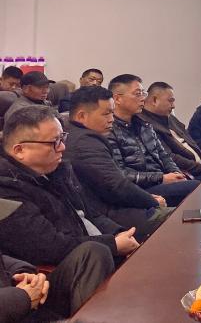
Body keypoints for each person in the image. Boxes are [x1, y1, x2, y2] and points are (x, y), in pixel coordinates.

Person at [0, 106, 135, 317]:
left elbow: (90, 214)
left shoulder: (57, 171)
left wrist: (120, 234)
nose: (63, 147)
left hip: (81, 250)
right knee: (94, 252)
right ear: (19, 150)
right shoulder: (6, 188)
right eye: (54, 142)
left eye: (62, 138)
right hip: (46, 276)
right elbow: (47, 246)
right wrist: (113, 244)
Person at [64, 86, 169, 236]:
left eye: (112, 113)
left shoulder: (78, 135)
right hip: (111, 216)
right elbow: (116, 186)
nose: (111, 119)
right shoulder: (85, 142)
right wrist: (152, 201)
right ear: (81, 116)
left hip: (112, 209)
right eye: (106, 114)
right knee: (180, 218)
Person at [0, 198, 115, 322]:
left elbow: (4, 259)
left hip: (21, 298)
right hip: (15, 305)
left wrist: (21, 273)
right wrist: (23, 297)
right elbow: (49, 246)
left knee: (93, 252)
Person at [107, 75, 199, 207]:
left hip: (160, 180)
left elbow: (164, 155)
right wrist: (161, 178)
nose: (143, 98)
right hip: (140, 189)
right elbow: (121, 174)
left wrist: (176, 173)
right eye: (137, 94)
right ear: (117, 99)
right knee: (196, 187)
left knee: (200, 184)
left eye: (143, 93)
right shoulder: (110, 129)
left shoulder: (144, 124)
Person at [139, 82, 201, 178]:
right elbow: (170, 157)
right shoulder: (144, 124)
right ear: (155, 100)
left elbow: (191, 142)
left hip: (200, 167)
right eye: (170, 101)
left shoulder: (170, 117)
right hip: (186, 173)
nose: (173, 106)